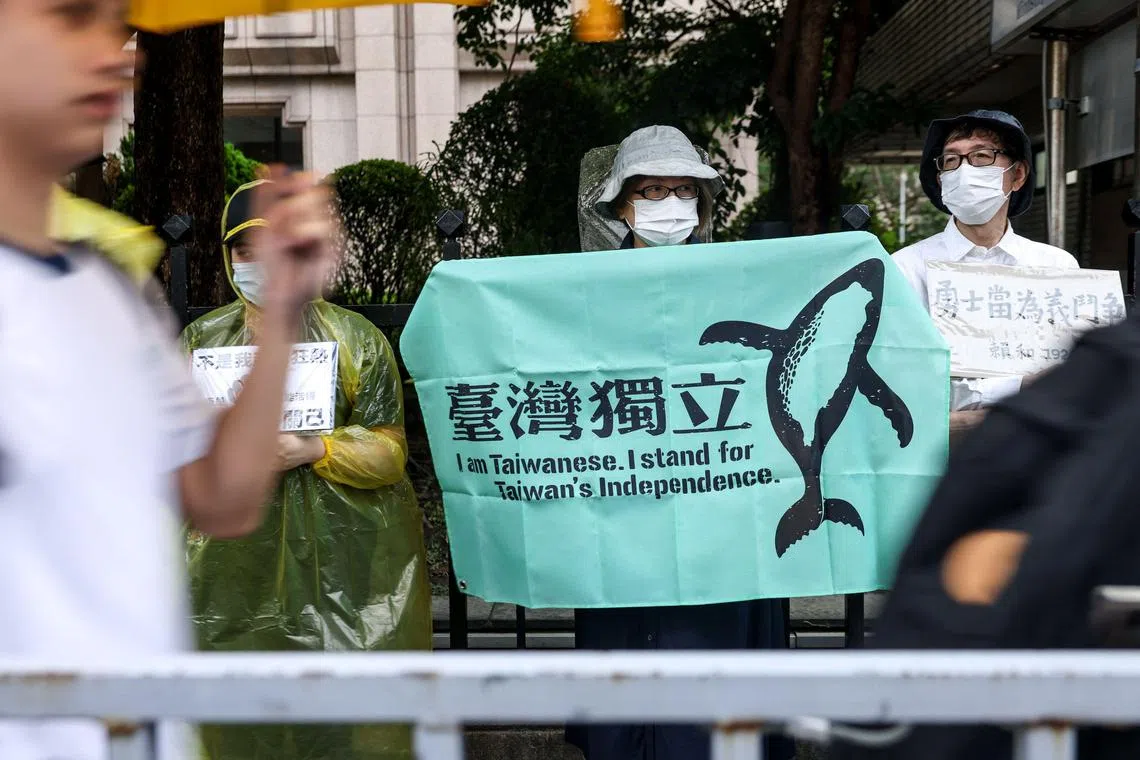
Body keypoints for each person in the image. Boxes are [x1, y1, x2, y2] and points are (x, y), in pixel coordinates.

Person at [0, 2, 336, 760]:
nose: (118, 52)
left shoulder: (113, 292)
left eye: (117, 22)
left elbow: (221, 497)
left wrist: (282, 311)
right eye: (71, 15)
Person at [565, 125, 796, 760]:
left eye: (682, 191)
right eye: (651, 190)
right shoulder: (577, 294)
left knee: (720, 671)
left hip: (724, 512)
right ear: (619, 207)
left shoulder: (740, 283)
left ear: (701, 204)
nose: (670, 204)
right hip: (623, 506)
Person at [181, 180, 432, 760]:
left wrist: (315, 449)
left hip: (338, 570)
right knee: (238, 713)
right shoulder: (201, 340)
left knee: (336, 715)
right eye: (246, 251)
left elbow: (389, 453)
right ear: (228, 256)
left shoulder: (355, 340)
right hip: (229, 569)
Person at [891, 110, 1078, 441]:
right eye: (951, 160)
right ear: (940, 178)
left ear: (1017, 174)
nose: (963, 170)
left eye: (981, 156)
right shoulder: (905, 268)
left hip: (1043, 456)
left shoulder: (1057, 267)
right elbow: (905, 382)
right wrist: (1022, 386)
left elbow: (1079, 377)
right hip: (944, 461)